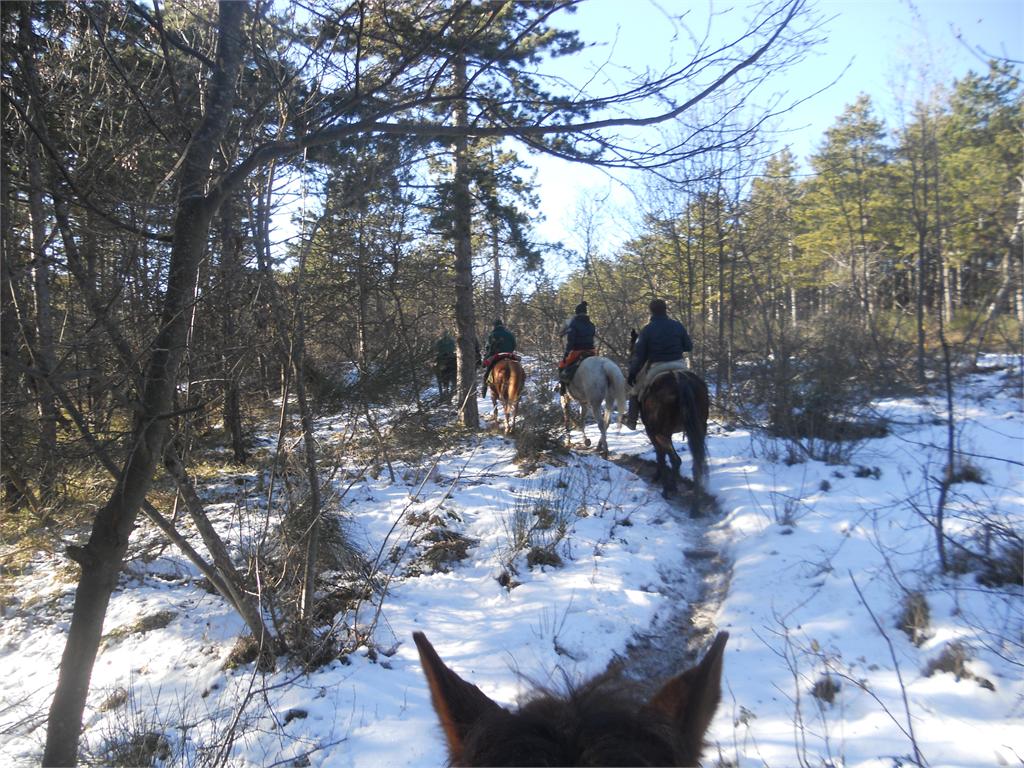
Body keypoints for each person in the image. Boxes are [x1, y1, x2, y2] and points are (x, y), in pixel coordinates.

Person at [625, 298, 693, 429]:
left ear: (651, 312)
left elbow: (639, 356)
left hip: (657, 366)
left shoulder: (647, 330)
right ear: (665, 310)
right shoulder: (678, 326)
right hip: (679, 365)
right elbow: (688, 346)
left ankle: (631, 420)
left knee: (635, 391)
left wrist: (632, 373)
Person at [558, 301, 596, 391]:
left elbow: (571, 340)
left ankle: (563, 389)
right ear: (585, 312)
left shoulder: (573, 324)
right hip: (591, 351)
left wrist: (567, 352)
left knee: (562, 365)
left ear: (577, 312)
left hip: (577, 351)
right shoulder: (591, 324)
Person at [481, 318, 517, 396]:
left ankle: (484, 388)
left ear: (494, 326)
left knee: (488, 373)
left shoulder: (492, 334)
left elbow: (488, 348)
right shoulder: (509, 334)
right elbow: (514, 345)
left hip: (497, 356)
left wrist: (486, 357)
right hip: (509, 355)